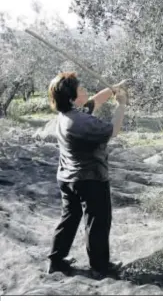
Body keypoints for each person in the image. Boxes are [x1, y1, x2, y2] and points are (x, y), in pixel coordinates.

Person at [46, 71, 128, 276]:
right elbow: (114, 130)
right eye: (81, 89)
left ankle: (56, 261)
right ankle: (100, 267)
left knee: (69, 218)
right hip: (90, 180)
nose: (85, 91)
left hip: (67, 178)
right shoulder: (81, 122)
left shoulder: (67, 115)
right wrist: (121, 104)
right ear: (73, 97)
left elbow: (93, 102)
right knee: (98, 222)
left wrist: (112, 88)